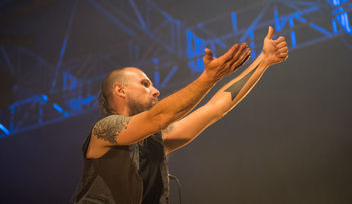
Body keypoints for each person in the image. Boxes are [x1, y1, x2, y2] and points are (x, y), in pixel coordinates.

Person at [72, 26, 288, 204]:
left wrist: (264, 61)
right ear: (120, 90)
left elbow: (216, 107)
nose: (155, 90)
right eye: (145, 84)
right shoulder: (103, 131)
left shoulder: (158, 140)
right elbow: (159, 117)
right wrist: (208, 79)